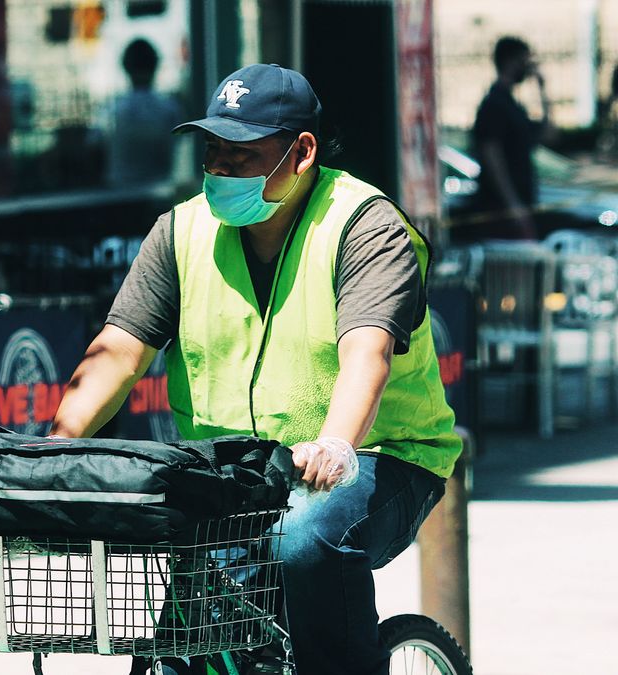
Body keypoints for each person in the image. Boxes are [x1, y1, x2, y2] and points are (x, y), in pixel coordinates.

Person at [49, 64, 462, 675]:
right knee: (188, 643)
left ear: (301, 153)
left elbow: (366, 352)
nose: (219, 171)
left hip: (379, 455)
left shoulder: (365, 225)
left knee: (306, 540)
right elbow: (121, 348)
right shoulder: (181, 230)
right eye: (211, 152)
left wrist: (337, 442)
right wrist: (58, 448)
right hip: (233, 467)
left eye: (240, 156)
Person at [469, 36, 556, 240]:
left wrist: (543, 91)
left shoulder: (514, 106)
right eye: (525, 60)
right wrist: (512, 205)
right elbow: (491, 155)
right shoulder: (494, 104)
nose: (529, 66)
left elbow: (550, 136)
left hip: (522, 203)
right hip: (501, 209)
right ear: (510, 61)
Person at [100, 38, 184, 186]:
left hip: (117, 195)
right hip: (161, 194)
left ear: (125, 67)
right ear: (156, 66)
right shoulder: (170, 110)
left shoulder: (111, 111)